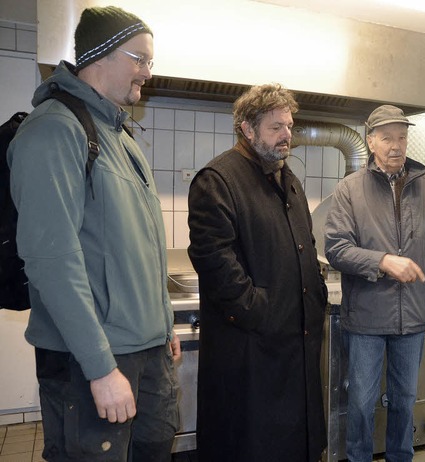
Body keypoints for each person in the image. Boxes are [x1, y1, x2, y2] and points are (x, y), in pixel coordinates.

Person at [7, 6, 180, 461]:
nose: (147, 73)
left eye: (150, 62)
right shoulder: (54, 131)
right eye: (139, 59)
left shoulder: (121, 137)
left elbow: (145, 247)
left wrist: (163, 326)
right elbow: (51, 259)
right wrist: (101, 368)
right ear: (100, 56)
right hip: (94, 359)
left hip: (146, 351)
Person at [187, 83, 328, 462]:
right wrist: (259, 310)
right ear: (247, 129)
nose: (287, 137)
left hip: (294, 345)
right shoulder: (217, 181)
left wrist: (315, 292)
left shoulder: (288, 180)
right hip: (251, 350)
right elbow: (214, 260)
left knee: (295, 444)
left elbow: (306, 247)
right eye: (275, 127)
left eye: (289, 126)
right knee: (251, 445)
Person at [324, 104, 425, 462]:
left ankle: (402, 457)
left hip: (413, 317)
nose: (396, 145)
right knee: (362, 403)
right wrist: (381, 261)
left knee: (404, 401)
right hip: (366, 317)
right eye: (387, 138)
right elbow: (336, 249)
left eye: (402, 137)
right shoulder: (350, 189)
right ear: (371, 142)